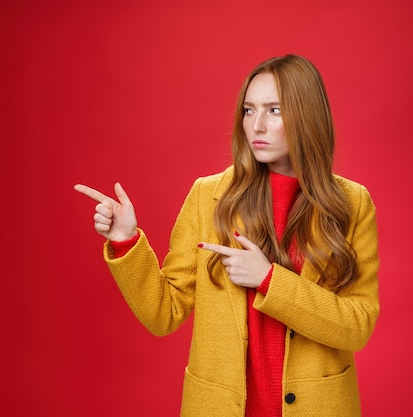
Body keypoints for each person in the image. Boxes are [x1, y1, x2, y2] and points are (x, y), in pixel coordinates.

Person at [74, 54, 379, 417]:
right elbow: (163, 312)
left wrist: (269, 279)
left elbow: (357, 326)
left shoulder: (351, 203)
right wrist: (126, 240)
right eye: (249, 111)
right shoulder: (208, 195)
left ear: (307, 115)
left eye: (275, 110)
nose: (257, 126)